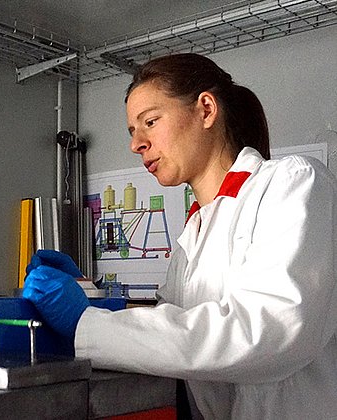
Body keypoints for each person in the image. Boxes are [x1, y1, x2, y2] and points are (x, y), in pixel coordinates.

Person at [23, 53, 337, 419]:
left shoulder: (292, 182)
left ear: (205, 109)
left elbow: (272, 331)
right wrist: (87, 294)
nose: (136, 144)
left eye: (150, 122)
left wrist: (87, 323)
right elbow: (172, 323)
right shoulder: (196, 229)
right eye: (132, 131)